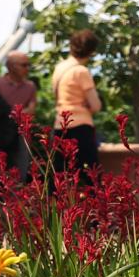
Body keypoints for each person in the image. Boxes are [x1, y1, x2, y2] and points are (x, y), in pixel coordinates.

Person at [53, 29, 105, 184]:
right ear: (92, 51)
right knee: (92, 176)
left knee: (61, 176)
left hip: (60, 125)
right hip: (81, 126)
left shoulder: (60, 68)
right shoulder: (81, 71)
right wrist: (86, 105)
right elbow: (96, 105)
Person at [0, 51, 37, 172]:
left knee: (20, 170)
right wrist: (18, 114)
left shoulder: (30, 86)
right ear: (11, 66)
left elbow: (32, 110)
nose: (27, 68)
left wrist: (8, 114)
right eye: (24, 65)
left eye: (28, 65)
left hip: (21, 134)